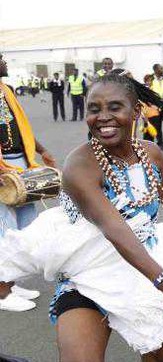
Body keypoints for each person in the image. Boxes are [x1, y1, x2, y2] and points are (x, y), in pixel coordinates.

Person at [0, 71, 163, 359]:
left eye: (115, 107)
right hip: (89, 270)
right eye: (94, 109)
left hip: (143, 270)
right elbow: (112, 226)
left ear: (136, 111)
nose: (103, 117)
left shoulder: (150, 153)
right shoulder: (80, 165)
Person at [0, 53, 57, 312]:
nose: (5, 61)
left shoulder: (7, 90)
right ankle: (1, 292)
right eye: (1, 57)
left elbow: (22, 128)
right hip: (2, 168)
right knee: (5, 230)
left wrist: (41, 150)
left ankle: (11, 281)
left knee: (25, 226)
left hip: (21, 163)